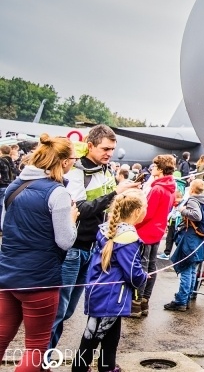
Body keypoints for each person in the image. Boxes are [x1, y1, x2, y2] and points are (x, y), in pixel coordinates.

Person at [50, 124, 135, 349]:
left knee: (67, 311)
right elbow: (81, 209)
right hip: (73, 249)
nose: (109, 153)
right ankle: (42, 360)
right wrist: (115, 193)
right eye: (105, 148)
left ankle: (45, 358)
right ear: (90, 146)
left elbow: (102, 207)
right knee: (59, 311)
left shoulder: (104, 169)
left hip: (90, 248)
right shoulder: (77, 171)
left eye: (112, 149)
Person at [0, 134, 79, 372]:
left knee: (1, 339)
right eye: (74, 158)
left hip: (7, 275)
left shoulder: (14, 186)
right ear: (64, 162)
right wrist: (72, 219)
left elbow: (6, 227)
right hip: (40, 281)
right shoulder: (58, 193)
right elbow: (65, 241)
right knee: (35, 348)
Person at [72, 190, 147, 372]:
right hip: (113, 296)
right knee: (94, 337)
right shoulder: (129, 238)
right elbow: (132, 272)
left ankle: (106, 366)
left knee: (108, 335)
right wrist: (143, 277)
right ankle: (81, 368)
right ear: (137, 212)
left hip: (101, 291)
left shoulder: (107, 230)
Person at [131, 154, 176, 317]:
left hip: (145, 231)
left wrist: (133, 222)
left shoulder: (157, 188)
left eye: (155, 166)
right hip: (157, 231)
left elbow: (146, 213)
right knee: (151, 267)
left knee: (141, 267)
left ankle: (136, 303)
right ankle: (144, 302)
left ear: (161, 169)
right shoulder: (170, 188)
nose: (152, 168)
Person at [164, 179, 204, 312]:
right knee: (191, 270)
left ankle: (181, 301)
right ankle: (186, 296)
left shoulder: (193, 200)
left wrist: (182, 210)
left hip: (191, 238)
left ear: (192, 189)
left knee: (186, 270)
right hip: (198, 239)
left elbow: (196, 216)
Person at [0, 144, 19, 232]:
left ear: (1, 151)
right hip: (10, 187)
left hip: (2, 186)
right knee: (6, 206)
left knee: (0, 207)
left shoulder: (1, 161)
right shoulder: (12, 161)